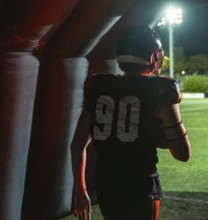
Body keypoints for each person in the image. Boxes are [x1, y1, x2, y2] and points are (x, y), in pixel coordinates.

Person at [70, 25, 191, 220]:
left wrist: (80, 190)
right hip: (140, 187)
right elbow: (183, 154)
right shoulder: (159, 91)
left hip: (106, 187)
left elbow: (77, 146)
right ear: (153, 56)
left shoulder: (98, 86)